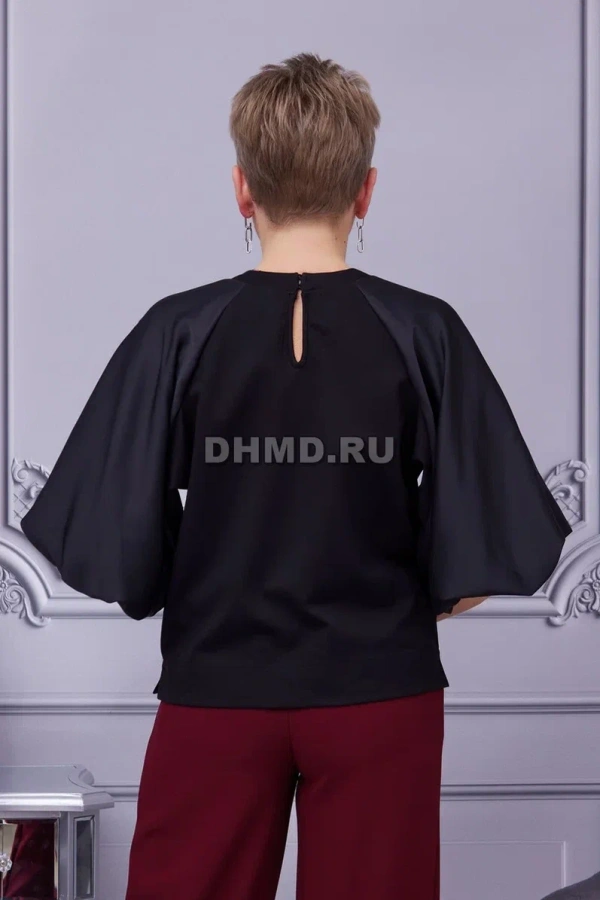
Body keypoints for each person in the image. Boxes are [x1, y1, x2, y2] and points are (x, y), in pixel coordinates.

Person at [20, 52, 573, 900]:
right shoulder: (424, 331)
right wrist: (394, 599)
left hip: (216, 691)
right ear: (366, 191)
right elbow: (492, 542)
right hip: (380, 697)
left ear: (242, 189)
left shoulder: (179, 331)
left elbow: (104, 537)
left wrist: (205, 581)